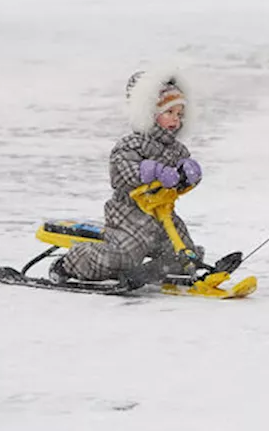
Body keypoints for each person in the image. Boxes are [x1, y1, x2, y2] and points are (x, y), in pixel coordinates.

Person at [51, 68, 206, 288]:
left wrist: (189, 174)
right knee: (122, 256)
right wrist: (153, 171)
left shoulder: (177, 149)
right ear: (150, 113)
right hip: (130, 214)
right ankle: (70, 263)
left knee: (184, 251)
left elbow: (180, 179)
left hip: (163, 216)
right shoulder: (131, 144)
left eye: (179, 115)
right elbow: (123, 171)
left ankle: (160, 269)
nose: (175, 120)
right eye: (169, 112)